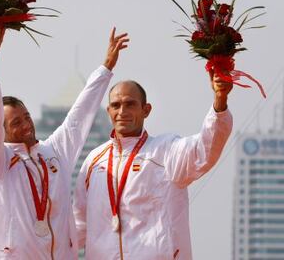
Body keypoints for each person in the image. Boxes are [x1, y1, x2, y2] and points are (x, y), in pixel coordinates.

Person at [0, 24, 129, 259]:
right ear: (1, 132)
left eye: (26, 117)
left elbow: (80, 114)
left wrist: (106, 67)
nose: (26, 125)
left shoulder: (54, 151)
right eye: (16, 123)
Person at [73, 70, 233, 259]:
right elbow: (77, 225)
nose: (122, 112)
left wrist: (219, 101)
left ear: (146, 109)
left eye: (130, 104)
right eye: (116, 105)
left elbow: (204, 149)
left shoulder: (165, 150)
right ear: (109, 111)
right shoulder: (93, 161)